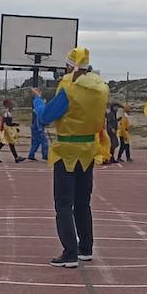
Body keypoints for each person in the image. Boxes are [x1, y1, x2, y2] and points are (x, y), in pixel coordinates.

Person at [33, 47, 110, 268]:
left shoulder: (69, 87)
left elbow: (47, 116)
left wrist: (38, 101)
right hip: (89, 150)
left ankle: (69, 252)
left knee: (64, 204)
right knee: (83, 202)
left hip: (67, 150)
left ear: (70, 66)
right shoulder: (100, 89)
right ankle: (86, 247)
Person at [0, 98, 23, 163]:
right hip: (6, 130)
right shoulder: (7, 113)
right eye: (10, 104)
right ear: (7, 105)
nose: (12, 105)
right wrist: (15, 125)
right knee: (10, 143)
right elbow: (8, 123)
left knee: (2, 143)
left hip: (5, 129)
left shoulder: (8, 112)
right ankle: (16, 158)